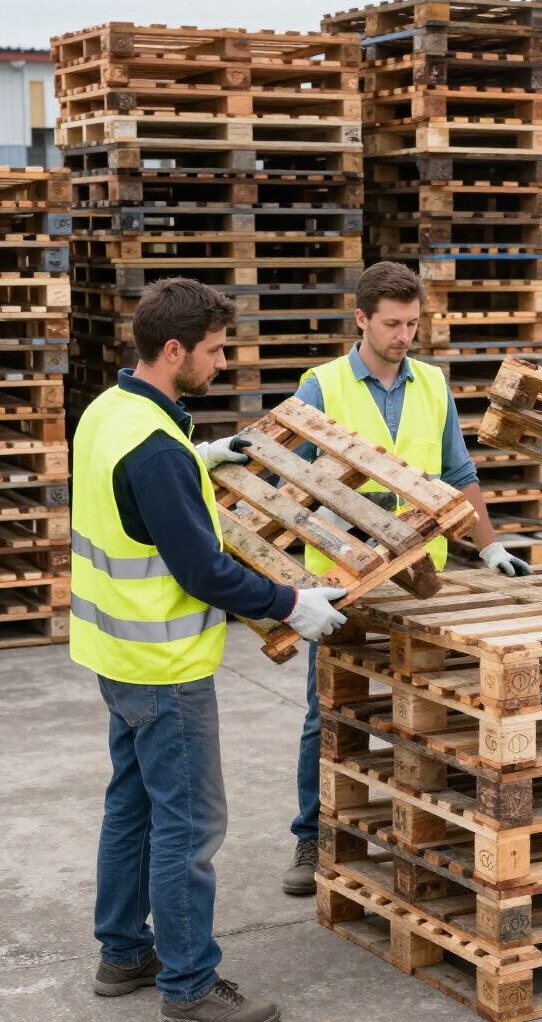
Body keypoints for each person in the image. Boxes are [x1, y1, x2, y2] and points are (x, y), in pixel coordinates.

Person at [71, 278, 348, 1022]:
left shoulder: (109, 411)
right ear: (173, 350)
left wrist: (203, 455)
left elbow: (146, 485)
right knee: (189, 826)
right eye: (215, 351)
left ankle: (123, 953)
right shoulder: (155, 449)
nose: (222, 364)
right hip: (166, 669)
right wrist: (294, 603)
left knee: (132, 809)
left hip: (116, 658)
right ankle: (190, 987)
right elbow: (204, 570)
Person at [281, 261, 531, 895]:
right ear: (361, 318)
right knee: (329, 713)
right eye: (392, 324)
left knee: (427, 709)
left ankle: (420, 835)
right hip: (344, 579)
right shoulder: (323, 386)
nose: (404, 336)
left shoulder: (432, 384)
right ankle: (312, 836)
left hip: (421, 578)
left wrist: (490, 546)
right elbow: (286, 486)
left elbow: (457, 469)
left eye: (413, 323)